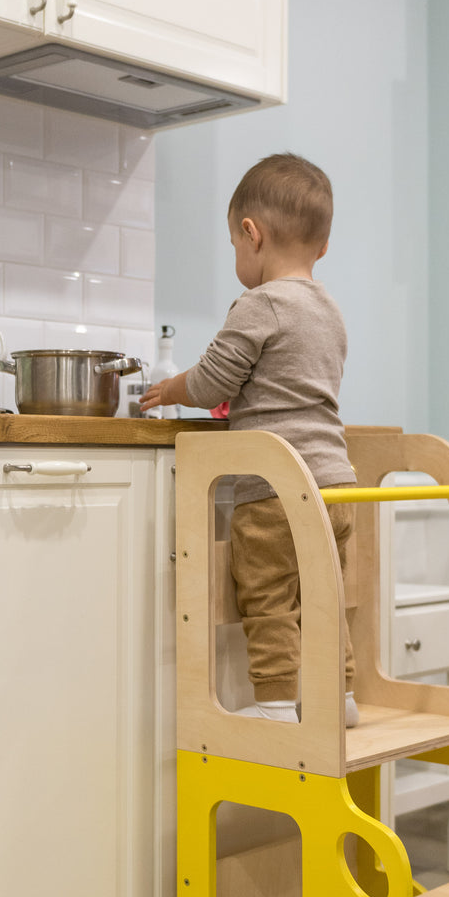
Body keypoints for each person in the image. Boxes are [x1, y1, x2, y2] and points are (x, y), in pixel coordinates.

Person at [141, 152, 358, 726]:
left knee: (268, 598)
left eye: (235, 246)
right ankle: (340, 697)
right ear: (323, 247)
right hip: (335, 483)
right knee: (322, 597)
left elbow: (214, 376)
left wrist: (171, 389)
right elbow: (289, 385)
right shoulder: (329, 310)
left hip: (274, 488)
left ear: (250, 234)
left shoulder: (260, 303)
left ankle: (278, 703)